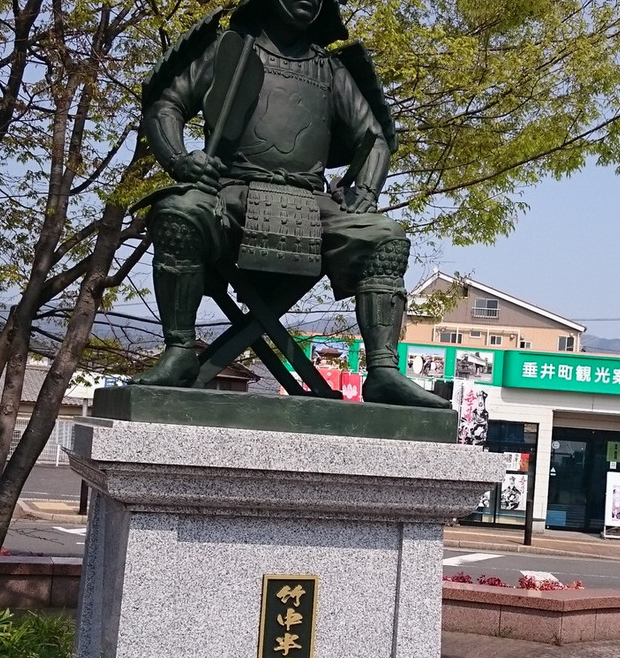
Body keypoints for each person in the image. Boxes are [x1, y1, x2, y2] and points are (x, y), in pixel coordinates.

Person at [132, 0, 448, 408]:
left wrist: (364, 193)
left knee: (385, 237)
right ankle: (179, 350)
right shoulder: (231, 48)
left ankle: (383, 371)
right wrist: (181, 159)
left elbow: (374, 139)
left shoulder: (331, 70)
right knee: (180, 212)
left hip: (311, 200)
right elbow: (167, 105)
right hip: (232, 192)